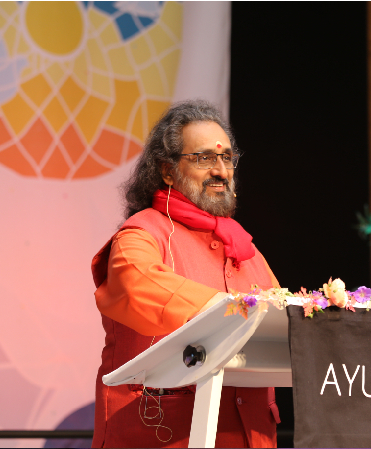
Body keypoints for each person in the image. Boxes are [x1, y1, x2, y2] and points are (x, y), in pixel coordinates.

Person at [90, 100, 280, 448]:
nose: (221, 170)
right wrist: (236, 311)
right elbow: (136, 285)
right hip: (165, 436)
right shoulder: (141, 234)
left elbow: (280, 319)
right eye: (204, 158)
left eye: (226, 158)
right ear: (167, 171)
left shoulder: (244, 246)